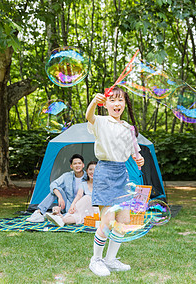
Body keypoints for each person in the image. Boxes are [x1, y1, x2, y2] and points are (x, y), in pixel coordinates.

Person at [85, 86, 145, 277]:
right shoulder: (101, 121)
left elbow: (134, 152)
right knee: (107, 221)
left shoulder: (129, 128)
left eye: (120, 100)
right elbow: (89, 116)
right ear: (106, 103)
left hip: (122, 172)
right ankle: (96, 260)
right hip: (105, 172)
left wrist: (139, 159)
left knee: (123, 221)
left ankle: (110, 260)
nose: (117, 104)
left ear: (125, 104)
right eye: (113, 100)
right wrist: (94, 102)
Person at [26, 154, 87, 222]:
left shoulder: (88, 177)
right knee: (56, 190)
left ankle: (57, 215)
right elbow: (53, 184)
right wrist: (60, 197)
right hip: (68, 205)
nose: (77, 165)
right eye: (75, 164)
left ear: (83, 165)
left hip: (81, 206)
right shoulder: (67, 176)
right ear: (71, 166)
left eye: (79, 163)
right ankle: (39, 213)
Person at [46, 161, 97, 227]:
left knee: (87, 198)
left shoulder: (102, 185)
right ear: (87, 171)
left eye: (95, 170)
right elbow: (79, 195)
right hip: (86, 209)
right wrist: (73, 205)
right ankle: (62, 220)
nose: (92, 172)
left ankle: (60, 218)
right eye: (90, 169)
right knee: (78, 214)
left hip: (96, 209)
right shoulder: (83, 184)